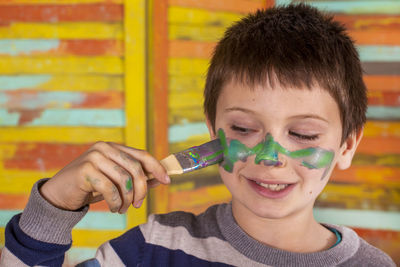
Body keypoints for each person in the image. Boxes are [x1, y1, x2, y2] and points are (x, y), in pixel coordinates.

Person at [1, 3, 396, 267]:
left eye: (304, 133)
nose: (268, 156)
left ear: (347, 145)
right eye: (243, 129)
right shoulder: (153, 249)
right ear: (213, 131)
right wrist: (52, 208)